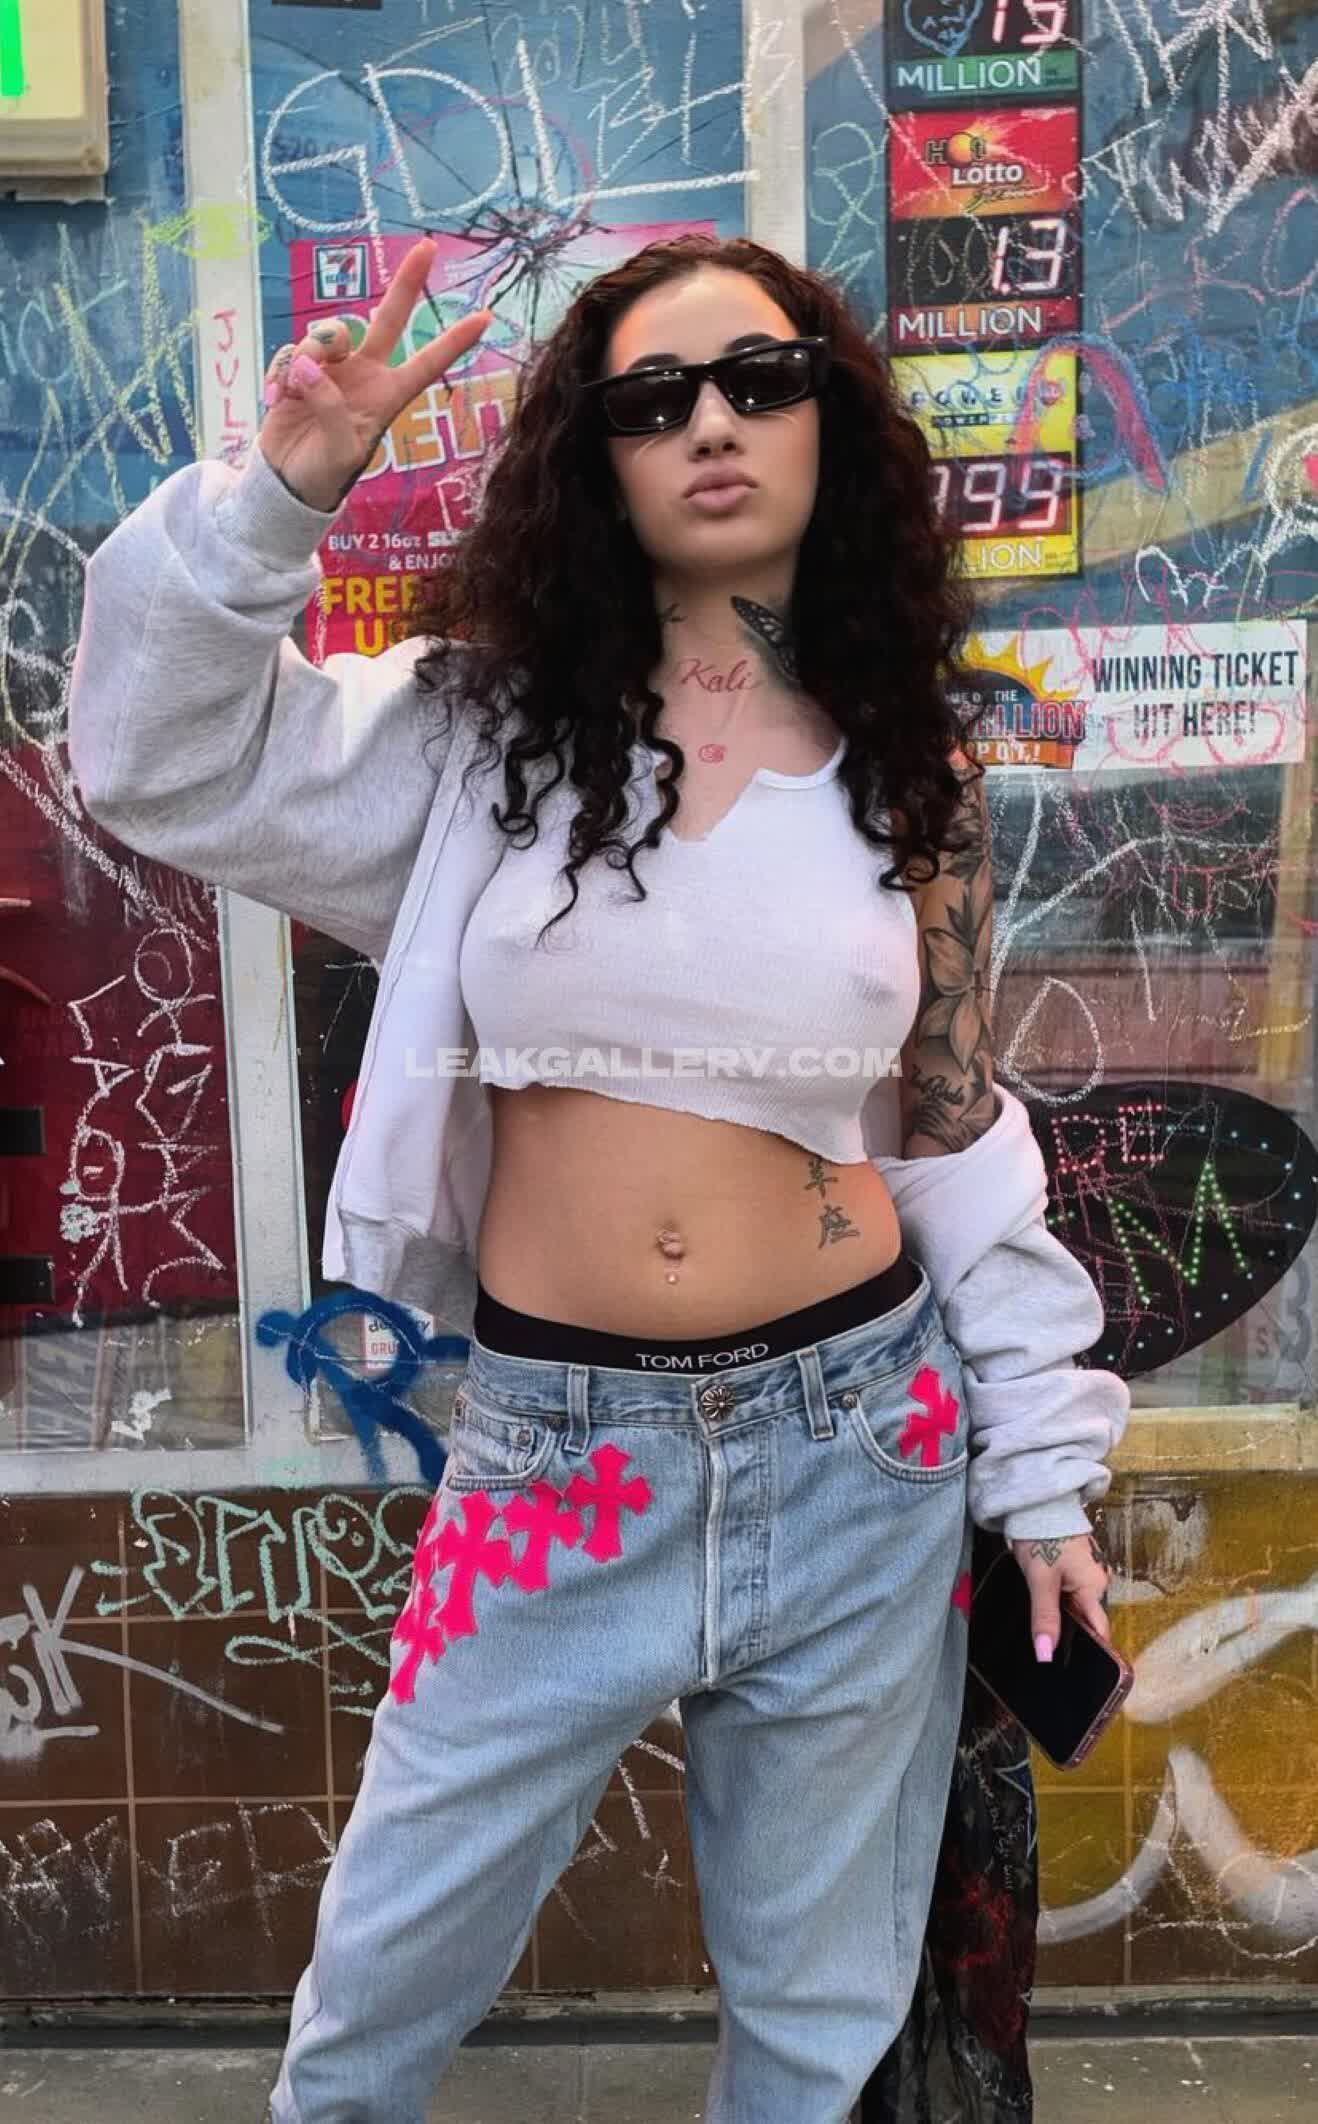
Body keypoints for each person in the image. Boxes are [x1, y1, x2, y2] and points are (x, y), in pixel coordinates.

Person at [67, 232, 1127, 2124]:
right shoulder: (481, 741)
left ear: (829, 422)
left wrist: (1038, 1470)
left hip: (861, 1444)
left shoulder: (911, 775)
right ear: (597, 457)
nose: (711, 423)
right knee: (379, 1992)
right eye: (653, 400)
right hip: (555, 1456)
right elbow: (160, 762)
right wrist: (280, 496)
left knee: (815, 2017)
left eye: (759, 380)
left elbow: (953, 1131)